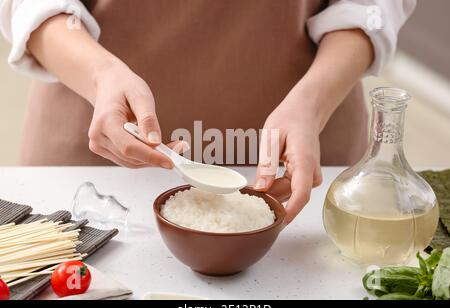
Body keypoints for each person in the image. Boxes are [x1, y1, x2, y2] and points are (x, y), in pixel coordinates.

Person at [0, 0, 415, 222]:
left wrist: (313, 103)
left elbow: (371, 5)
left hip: (300, 155)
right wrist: (98, 76)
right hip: (93, 151)